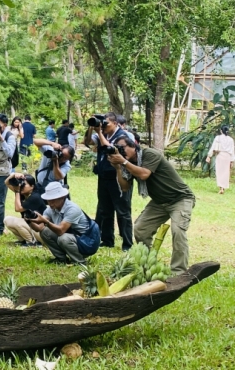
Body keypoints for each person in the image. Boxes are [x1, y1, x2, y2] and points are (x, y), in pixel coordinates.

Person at [109, 136, 195, 273]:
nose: (121, 151)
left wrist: (123, 162)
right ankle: (149, 264)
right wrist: (118, 168)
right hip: (159, 202)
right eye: (118, 149)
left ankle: (179, 271)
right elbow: (125, 187)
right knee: (140, 229)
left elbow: (144, 174)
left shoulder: (149, 154)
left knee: (178, 231)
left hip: (180, 198)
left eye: (122, 147)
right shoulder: (128, 163)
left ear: (134, 145)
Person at [84, 112, 132, 251]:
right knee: (105, 210)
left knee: (122, 211)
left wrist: (99, 133)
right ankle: (107, 239)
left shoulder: (123, 136)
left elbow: (111, 149)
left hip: (118, 177)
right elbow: (87, 142)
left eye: (107, 124)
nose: (103, 126)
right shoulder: (102, 134)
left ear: (115, 123)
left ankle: (127, 244)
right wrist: (92, 126)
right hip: (103, 176)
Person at [29, 182, 100, 265]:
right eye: (48, 200)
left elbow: (60, 231)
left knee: (63, 238)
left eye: (53, 200)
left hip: (87, 243)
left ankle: (79, 261)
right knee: (45, 232)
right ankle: (61, 259)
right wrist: (30, 220)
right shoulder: (50, 210)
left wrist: (46, 222)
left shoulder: (72, 209)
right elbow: (39, 228)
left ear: (62, 197)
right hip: (74, 239)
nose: (50, 203)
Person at [3, 173, 45, 246]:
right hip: (32, 227)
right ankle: (23, 240)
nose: (21, 186)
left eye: (24, 184)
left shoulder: (35, 197)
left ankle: (31, 242)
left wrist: (17, 191)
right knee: (7, 220)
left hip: (41, 232)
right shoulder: (23, 193)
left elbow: (18, 208)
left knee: (19, 222)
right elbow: (7, 182)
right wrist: (14, 175)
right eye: (21, 184)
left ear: (32, 186)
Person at [206, 126, 233, 194]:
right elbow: (232, 150)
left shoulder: (218, 137)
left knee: (219, 172)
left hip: (220, 155)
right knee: (226, 172)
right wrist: (232, 160)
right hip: (228, 157)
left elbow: (213, 147)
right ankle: (223, 187)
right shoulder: (231, 139)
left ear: (221, 131)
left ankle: (221, 188)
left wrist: (209, 156)